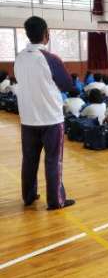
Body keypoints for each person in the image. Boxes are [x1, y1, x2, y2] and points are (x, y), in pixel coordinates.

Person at [13, 16, 74, 210]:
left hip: (28, 118)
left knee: (29, 159)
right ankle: (56, 200)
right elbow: (67, 85)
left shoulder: (19, 57)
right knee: (53, 160)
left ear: (28, 34)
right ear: (46, 34)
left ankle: (28, 196)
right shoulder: (50, 59)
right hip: (51, 118)